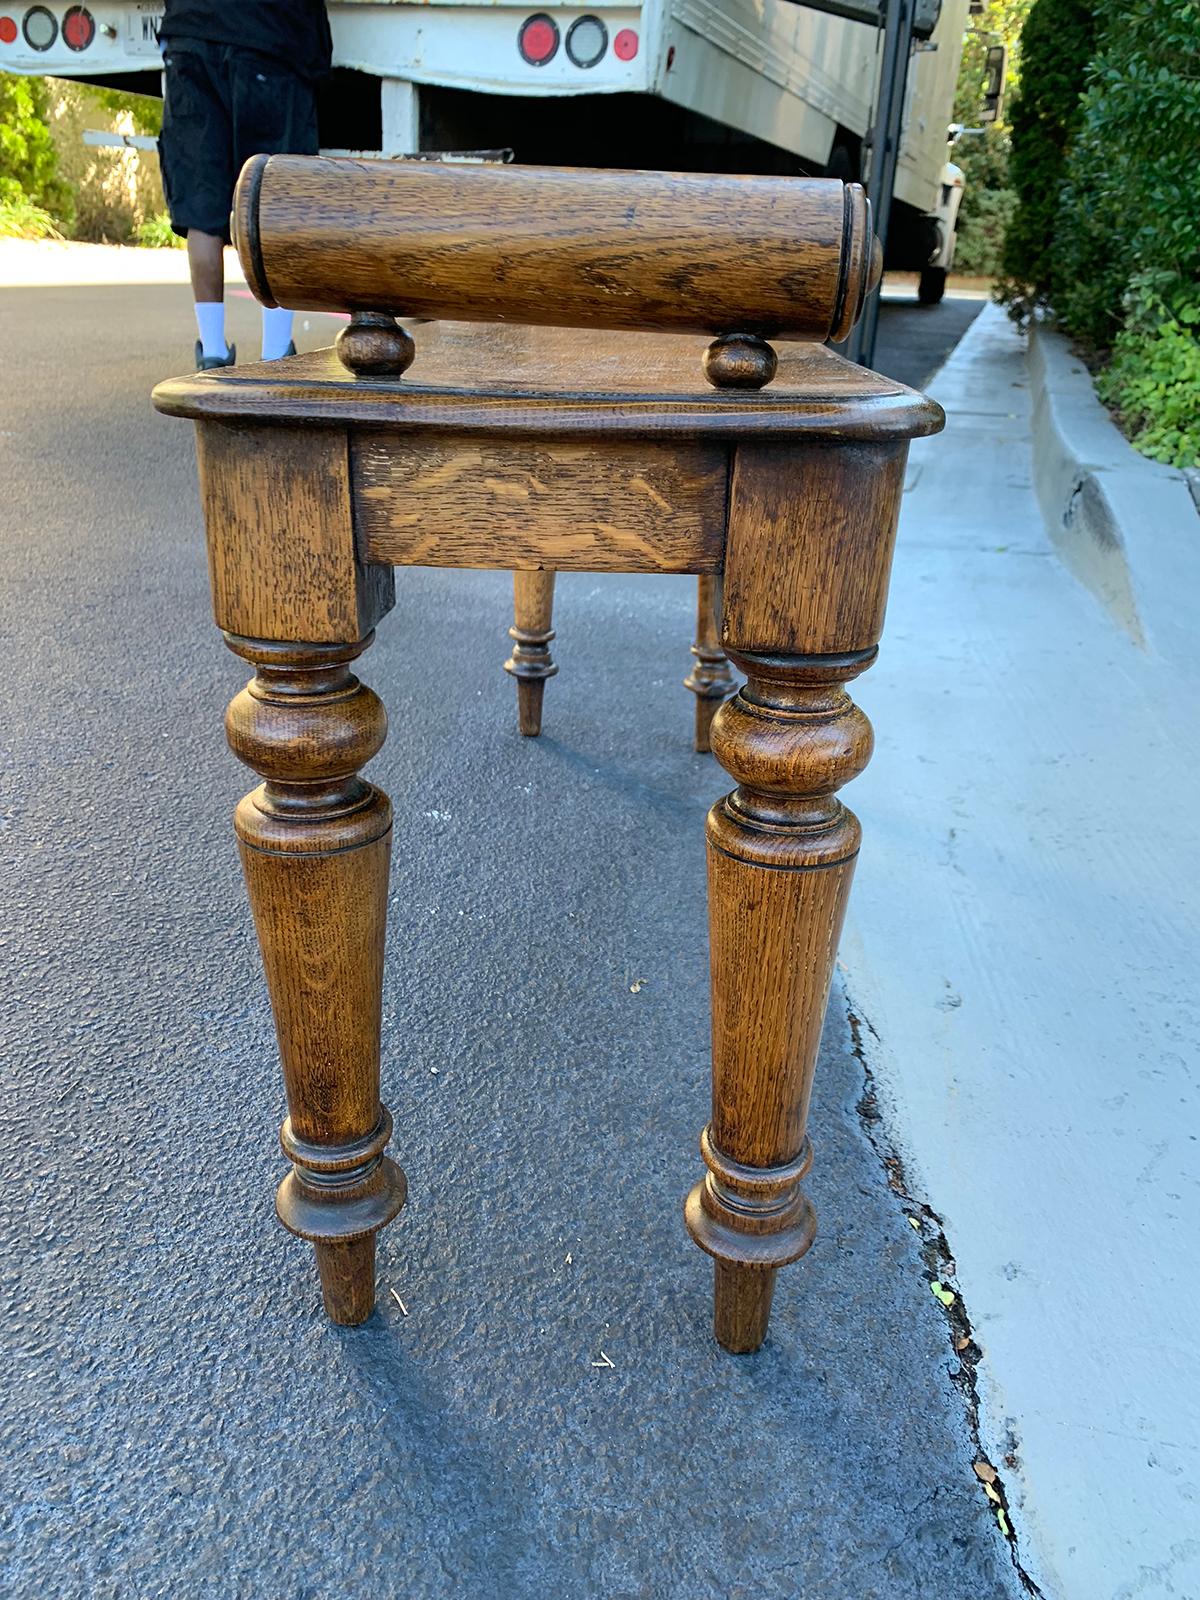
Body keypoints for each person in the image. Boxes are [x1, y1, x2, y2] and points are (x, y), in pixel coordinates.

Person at [157, 0, 332, 370]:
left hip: (191, 33)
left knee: (202, 214)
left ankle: (213, 351)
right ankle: (275, 351)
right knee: (275, 206)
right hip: (270, 37)